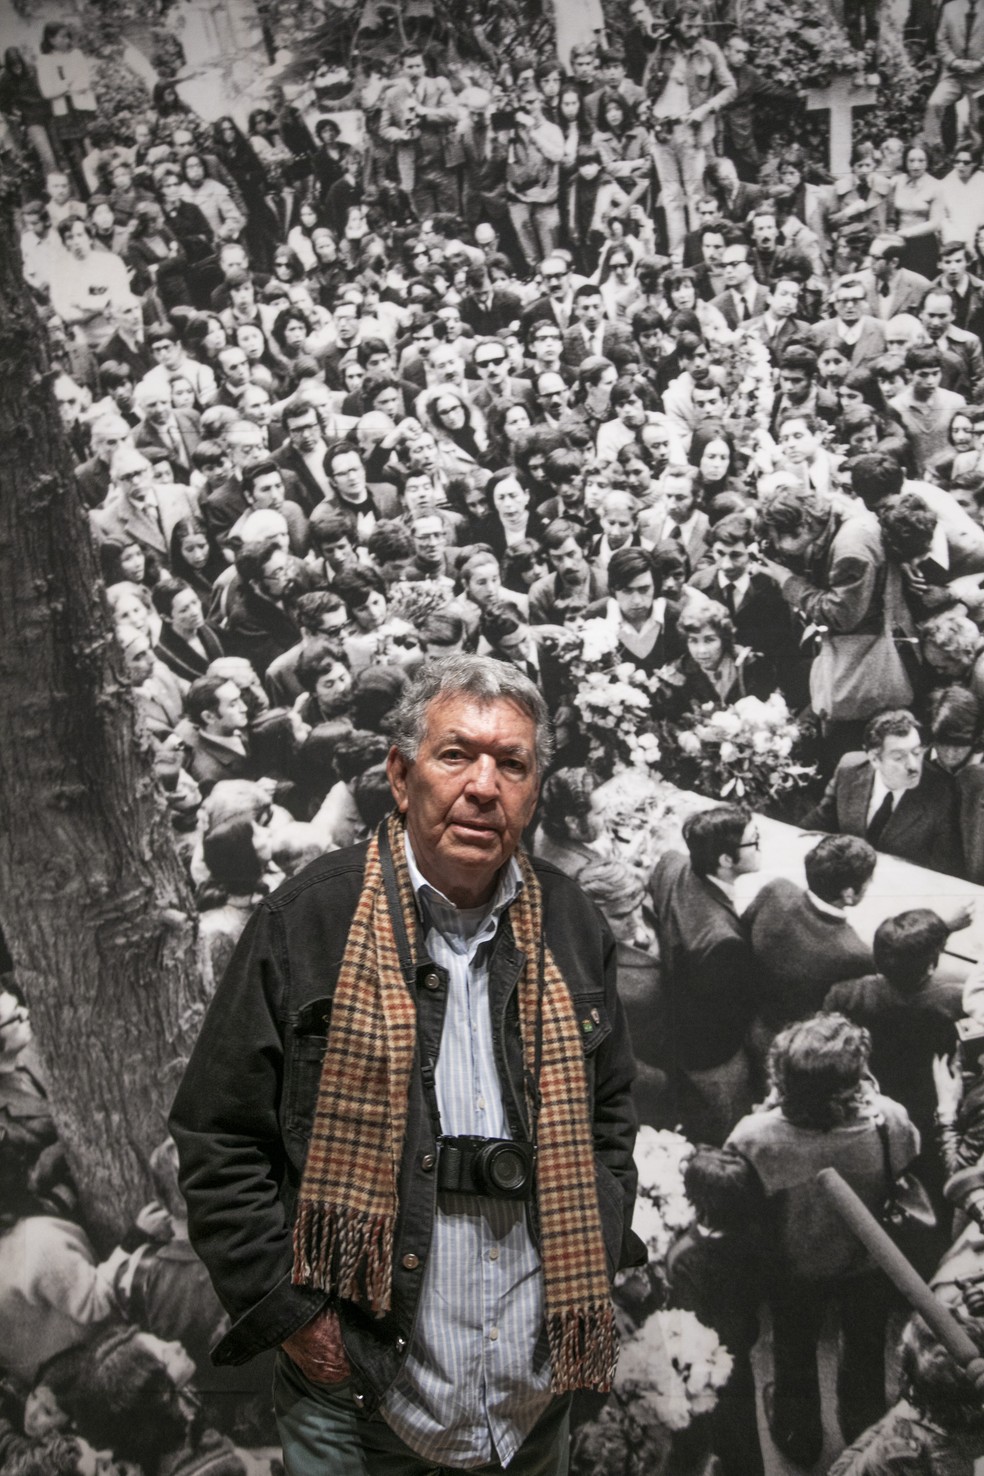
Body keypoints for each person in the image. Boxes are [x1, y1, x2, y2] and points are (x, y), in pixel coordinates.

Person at [170, 655, 640, 1474]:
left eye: (513, 764)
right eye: (456, 754)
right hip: (363, 1391)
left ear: (533, 792)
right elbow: (218, 1135)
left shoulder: (572, 922)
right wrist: (295, 1316)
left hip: (528, 1395)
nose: (484, 787)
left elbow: (610, 1116)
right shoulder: (308, 920)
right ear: (400, 773)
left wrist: (593, 1240)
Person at [728, 1014, 920, 1470]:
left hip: (794, 1270)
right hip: (868, 1265)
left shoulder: (755, 1137)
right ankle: (862, 1425)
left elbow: (740, 1195)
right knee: (867, 1352)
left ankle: (799, 1435)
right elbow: (910, 1157)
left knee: (792, 1351)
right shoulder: (888, 1122)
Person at [649, 804, 759, 1145]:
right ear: (726, 860)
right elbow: (734, 1010)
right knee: (729, 1115)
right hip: (712, 1053)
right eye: (753, 842)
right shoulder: (724, 941)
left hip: (675, 1028)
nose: (759, 847)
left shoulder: (671, 862)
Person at [802, 707, 965, 876]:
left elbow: (944, 871)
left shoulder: (942, 791)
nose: (913, 766)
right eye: (899, 757)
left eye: (917, 753)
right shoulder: (849, 770)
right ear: (874, 759)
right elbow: (818, 823)